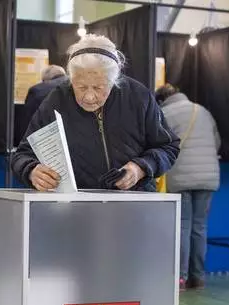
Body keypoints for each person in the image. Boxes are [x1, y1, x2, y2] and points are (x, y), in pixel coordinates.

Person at [11, 34, 179, 192]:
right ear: (71, 79)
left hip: (133, 204)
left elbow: (168, 146)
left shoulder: (139, 97)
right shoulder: (56, 100)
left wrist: (140, 168)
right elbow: (22, 155)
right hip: (76, 206)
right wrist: (32, 171)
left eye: (99, 87)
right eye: (81, 87)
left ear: (113, 81)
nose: (89, 97)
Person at [155, 84, 220, 291]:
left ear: (161, 100)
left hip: (180, 177)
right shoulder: (201, 110)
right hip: (208, 177)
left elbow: (159, 145)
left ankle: (180, 279)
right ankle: (198, 278)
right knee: (200, 228)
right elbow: (217, 142)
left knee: (183, 225)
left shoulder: (164, 113)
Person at [16, 65, 68, 144]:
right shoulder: (76, 85)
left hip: (48, 142)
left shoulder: (37, 90)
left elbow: (28, 121)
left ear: (45, 79)